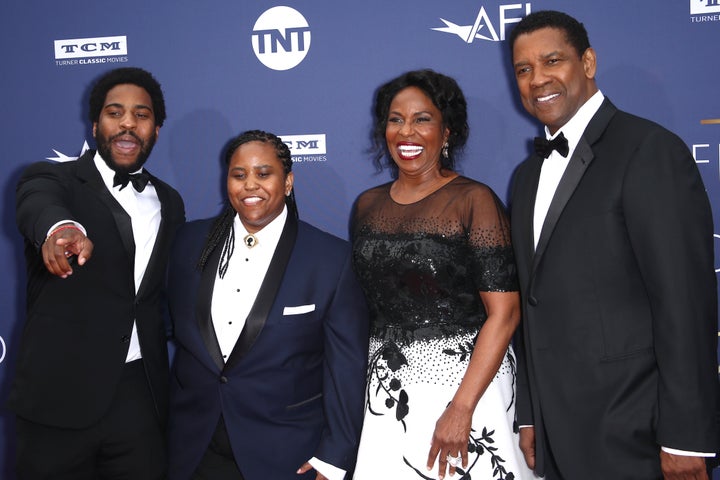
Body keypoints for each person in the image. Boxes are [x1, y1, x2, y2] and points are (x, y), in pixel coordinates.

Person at [507, 10, 720, 479]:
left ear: (587, 63)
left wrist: (686, 436)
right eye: (523, 70)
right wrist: (529, 413)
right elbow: (532, 303)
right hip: (557, 431)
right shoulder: (526, 177)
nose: (537, 79)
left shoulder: (649, 150)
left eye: (552, 61)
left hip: (635, 431)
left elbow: (683, 303)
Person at [350, 69, 533, 480]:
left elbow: (504, 314)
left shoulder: (473, 200)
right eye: (395, 119)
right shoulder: (366, 206)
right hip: (388, 388)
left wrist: (462, 407)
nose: (405, 131)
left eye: (422, 119)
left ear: (447, 131)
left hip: (468, 388)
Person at [10, 67, 186, 479]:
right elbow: (39, 205)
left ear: (156, 129)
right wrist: (60, 229)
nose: (128, 123)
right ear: (95, 125)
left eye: (142, 115)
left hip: (139, 400)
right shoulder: (53, 178)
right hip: (58, 399)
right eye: (115, 112)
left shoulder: (170, 202)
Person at [166, 129, 369, 480]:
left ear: (288, 182)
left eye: (264, 174)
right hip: (194, 447)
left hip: (286, 451)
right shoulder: (188, 242)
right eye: (239, 175)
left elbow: (346, 368)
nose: (250, 185)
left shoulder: (330, 259)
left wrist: (336, 455)